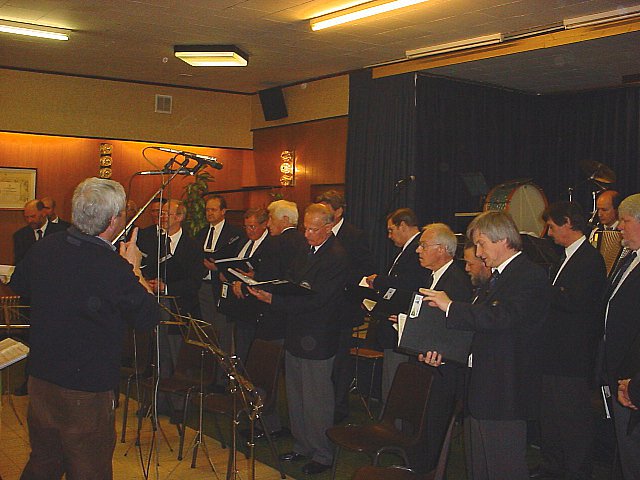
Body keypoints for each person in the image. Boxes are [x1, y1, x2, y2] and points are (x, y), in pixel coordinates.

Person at [10, 177, 159, 479]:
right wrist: (135, 269)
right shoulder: (113, 266)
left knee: (44, 462)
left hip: (41, 378)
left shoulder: (46, 246)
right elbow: (149, 316)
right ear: (113, 220)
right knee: (89, 468)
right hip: (86, 389)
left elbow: (20, 284)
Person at [420, 210, 551, 480]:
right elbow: (477, 329)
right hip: (482, 389)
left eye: (481, 244)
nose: (478, 253)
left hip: (504, 393)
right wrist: (442, 352)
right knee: (479, 467)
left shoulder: (529, 275)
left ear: (502, 239)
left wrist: (450, 306)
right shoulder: (498, 277)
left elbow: (502, 318)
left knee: (503, 468)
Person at [249, 203, 347, 475]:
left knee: (317, 399)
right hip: (296, 332)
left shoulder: (336, 256)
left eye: (313, 229)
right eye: (306, 228)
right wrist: (274, 290)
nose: (307, 234)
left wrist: (275, 300)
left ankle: (322, 453)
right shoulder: (306, 249)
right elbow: (292, 279)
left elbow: (318, 299)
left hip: (318, 336)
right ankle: (303, 445)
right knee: (296, 394)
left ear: (328, 228)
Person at [530, 201, 606, 480]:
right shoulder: (563, 257)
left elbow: (576, 302)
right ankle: (553, 465)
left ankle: (576, 471)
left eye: (552, 227)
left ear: (568, 223)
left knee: (572, 419)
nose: (549, 233)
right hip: (554, 353)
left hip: (572, 357)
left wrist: (544, 289)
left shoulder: (590, 259)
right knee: (551, 416)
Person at [411, 223, 471, 471]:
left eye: (423, 245)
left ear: (442, 250)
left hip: (444, 366)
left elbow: (458, 327)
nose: (418, 250)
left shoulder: (456, 281)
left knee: (436, 424)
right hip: (428, 360)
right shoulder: (433, 276)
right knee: (424, 422)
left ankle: (431, 470)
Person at [316, 189, 376, 423]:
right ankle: (321, 403)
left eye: (327, 210)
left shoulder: (354, 235)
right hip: (320, 307)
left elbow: (365, 269)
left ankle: (338, 408)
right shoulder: (317, 232)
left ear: (339, 211)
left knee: (340, 361)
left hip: (343, 307)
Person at [365, 208, 427, 403]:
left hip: (402, 322)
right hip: (394, 323)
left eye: (391, 230)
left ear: (403, 226)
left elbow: (408, 284)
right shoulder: (406, 250)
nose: (389, 236)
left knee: (397, 382)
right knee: (391, 378)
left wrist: (379, 281)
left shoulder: (415, 249)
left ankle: (393, 418)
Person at [600, 193, 640, 479]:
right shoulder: (630, 259)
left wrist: (632, 379)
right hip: (619, 373)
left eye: (625, 221)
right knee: (626, 453)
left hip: (632, 379)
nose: (619, 227)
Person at [195, 195, 246, 387]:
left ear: (223, 211)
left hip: (222, 288)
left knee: (223, 334)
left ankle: (222, 379)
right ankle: (208, 376)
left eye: (213, 210)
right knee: (207, 333)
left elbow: (238, 261)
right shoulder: (201, 233)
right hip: (203, 287)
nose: (209, 213)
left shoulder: (234, 233)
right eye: (207, 210)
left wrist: (219, 268)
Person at [227, 207, 275, 363]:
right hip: (240, 304)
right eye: (246, 226)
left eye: (252, 226)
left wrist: (253, 277)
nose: (249, 230)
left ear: (264, 224)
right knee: (240, 347)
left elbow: (270, 275)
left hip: (258, 306)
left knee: (253, 353)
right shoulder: (244, 241)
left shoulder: (271, 244)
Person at [13, 199, 66, 265]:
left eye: (33, 216)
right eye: (26, 217)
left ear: (43, 213)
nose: (29, 220)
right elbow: (20, 263)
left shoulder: (60, 232)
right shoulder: (20, 236)